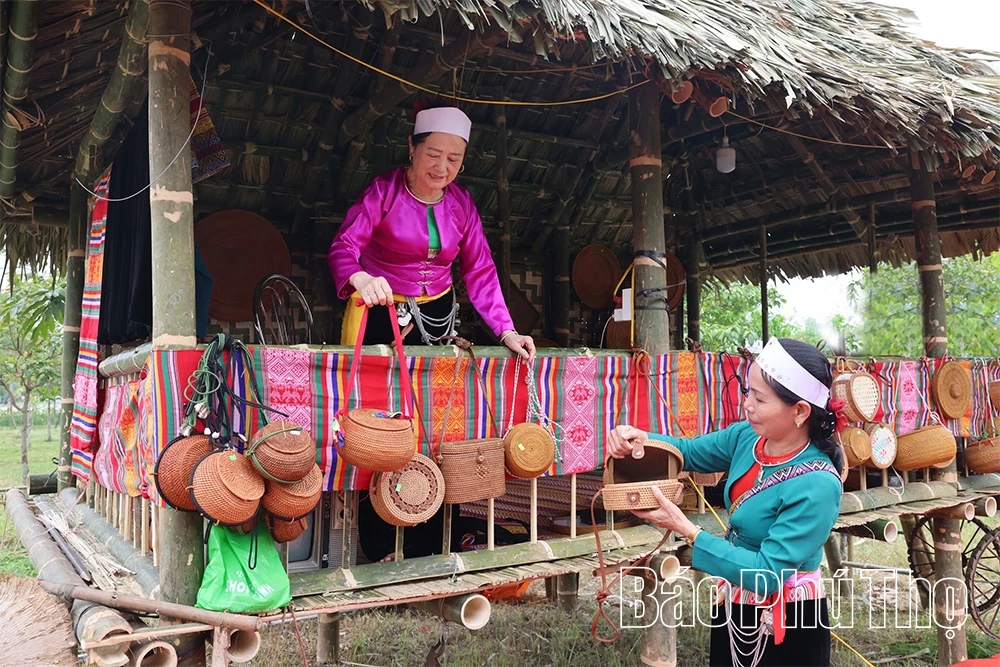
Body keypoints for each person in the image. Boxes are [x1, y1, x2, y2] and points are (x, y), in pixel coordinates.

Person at [328, 100, 535, 563]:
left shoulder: (461, 204)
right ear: (412, 147)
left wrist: (506, 332)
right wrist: (360, 277)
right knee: (381, 428)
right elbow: (344, 245)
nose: (442, 167)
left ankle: (435, 541)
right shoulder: (383, 191)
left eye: (454, 159)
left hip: (438, 317)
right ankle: (381, 545)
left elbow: (480, 271)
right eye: (433, 155)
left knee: (437, 424)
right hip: (379, 312)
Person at [607, 338, 845, 667]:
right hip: (734, 602)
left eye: (760, 398)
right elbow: (687, 451)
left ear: (800, 411)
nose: (747, 405)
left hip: (789, 622)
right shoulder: (748, 437)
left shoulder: (817, 485)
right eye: (748, 392)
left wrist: (688, 530)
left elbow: (766, 574)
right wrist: (639, 438)